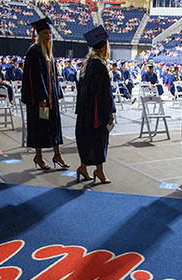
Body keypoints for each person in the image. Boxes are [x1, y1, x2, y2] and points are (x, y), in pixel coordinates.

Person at [21, 17, 69, 170]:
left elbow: (53, 78)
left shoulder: (48, 53)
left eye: (49, 33)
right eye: (45, 33)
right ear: (39, 35)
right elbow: (34, 78)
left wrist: (56, 94)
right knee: (39, 127)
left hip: (51, 98)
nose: (48, 36)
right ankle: (39, 156)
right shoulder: (34, 52)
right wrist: (41, 98)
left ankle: (57, 154)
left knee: (55, 126)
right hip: (39, 99)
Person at [75, 25, 116, 184]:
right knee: (99, 140)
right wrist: (110, 112)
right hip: (97, 112)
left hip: (86, 111)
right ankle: (99, 171)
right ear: (105, 47)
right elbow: (105, 93)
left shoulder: (88, 64)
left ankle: (83, 167)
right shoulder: (100, 66)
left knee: (88, 139)